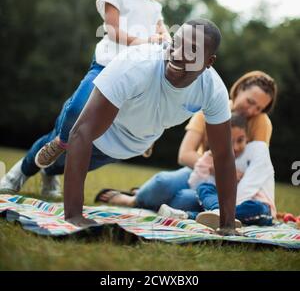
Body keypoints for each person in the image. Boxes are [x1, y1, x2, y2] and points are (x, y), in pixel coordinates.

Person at [1, 19, 239, 235]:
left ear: (209, 62)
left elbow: (223, 155)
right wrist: (74, 214)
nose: (177, 54)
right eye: (176, 43)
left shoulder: (213, 90)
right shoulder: (137, 63)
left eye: (193, 51)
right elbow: (82, 132)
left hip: (130, 145)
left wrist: (227, 224)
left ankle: (49, 174)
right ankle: (20, 172)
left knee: (59, 167)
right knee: (58, 142)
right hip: (93, 130)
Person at [0, 0, 169, 199]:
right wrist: (143, 41)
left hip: (132, 80)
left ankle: (51, 172)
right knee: (75, 115)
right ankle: (20, 171)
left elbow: (162, 33)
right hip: (104, 68)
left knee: (102, 143)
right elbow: (112, 30)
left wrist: (167, 42)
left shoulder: (154, 7)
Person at [99, 71, 277, 213]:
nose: (252, 110)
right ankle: (133, 200)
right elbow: (184, 155)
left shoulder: (260, 122)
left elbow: (257, 164)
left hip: (234, 183)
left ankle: (152, 199)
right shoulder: (211, 108)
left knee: (184, 199)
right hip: (200, 170)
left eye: (259, 108)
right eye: (250, 101)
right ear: (239, 90)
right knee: (163, 182)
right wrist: (216, 167)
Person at [158, 112, 276, 230]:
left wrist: (227, 208)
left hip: (255, 205)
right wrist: (213, 171)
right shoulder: (214, 156)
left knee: (255, 207)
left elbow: (250, 186)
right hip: (223, 205)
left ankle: (191, 215)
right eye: (230, 141)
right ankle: (217, 215)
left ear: (248, 137)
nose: (235, 147)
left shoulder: (257, 151)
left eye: (240, 140)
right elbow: (195, 185)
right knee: (204, 187)